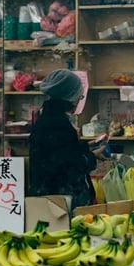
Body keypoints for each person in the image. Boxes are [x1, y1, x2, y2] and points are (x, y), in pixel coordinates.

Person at [27, 68, 103, 209]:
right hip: (59, 204)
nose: (78, 101)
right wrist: (92, 156)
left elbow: (61, 153)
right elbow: (70, 166)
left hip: (49, 198)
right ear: (69, 97)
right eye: (79, 97)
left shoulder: (49, 118)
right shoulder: (58, 123)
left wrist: (86, 146)